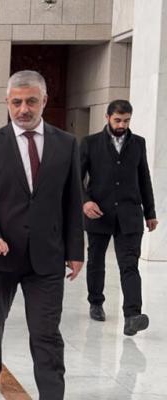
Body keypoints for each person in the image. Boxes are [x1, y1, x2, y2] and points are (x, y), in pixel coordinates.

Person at [0, 70, 84, 399]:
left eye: (31, 101)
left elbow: (73, 200)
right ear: (7, 101)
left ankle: (52, 393)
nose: (23, 109)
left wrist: (76, 251)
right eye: (17, 102)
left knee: (46, 333)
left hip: (46, 257)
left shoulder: (66, 144)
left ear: (44, 101)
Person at [80, 99, 156, 335]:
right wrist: (85, 202)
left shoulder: (138, 143)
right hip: (99, 213)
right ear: (107, 118)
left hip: (129, 215)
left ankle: (132, 316)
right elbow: (75, 179)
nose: (122, 125)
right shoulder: (90, 143)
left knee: (129, 264)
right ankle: (95, 302)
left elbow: (144, 178)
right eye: (118, 120)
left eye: (126, 120)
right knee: (96, 261)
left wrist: (150, 213)